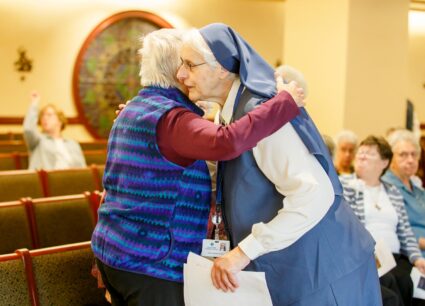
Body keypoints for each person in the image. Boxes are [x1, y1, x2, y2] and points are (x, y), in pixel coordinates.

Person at [91, 28, 304, 306]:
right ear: (176, 70)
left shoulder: (134, 110)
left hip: (115, 253)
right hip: (151, 263)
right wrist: (283, 103)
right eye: (188, 64)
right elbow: (226, 142)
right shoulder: (170, 119)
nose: (187, 74)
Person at [177, 23, 381, 305]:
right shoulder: (228, 114)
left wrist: (242, 253)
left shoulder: (260, 115)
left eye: (190, 64)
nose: (181, 74)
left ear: (222, 67)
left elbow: (313, 195)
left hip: (324, 272)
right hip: (297, 270)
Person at [340, 135, 425, 306]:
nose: (362, 156)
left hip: (394, 257)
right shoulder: (346, 186)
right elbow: (348, 228)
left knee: (413, 282)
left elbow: (405, 231)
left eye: (370, 153)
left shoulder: (392, 191)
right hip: (366, 255)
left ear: (384, 162)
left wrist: (417, 258)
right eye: (361, 152)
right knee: (390, 282)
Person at [382, 129, 425, 257]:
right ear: (390, 158)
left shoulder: (419, 191)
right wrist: (421, 242)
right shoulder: (385, 187)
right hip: (409, 256)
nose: (410, 160)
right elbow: (392, 229)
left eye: (414, 154)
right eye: (403, 155)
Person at [23, 91, 86, 170]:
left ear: (60, 120)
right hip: (46, 180)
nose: (44, 118)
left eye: (49, 115)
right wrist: (34, 104)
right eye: (42, 116)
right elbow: (28, 130)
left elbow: (83, 168)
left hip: (71, 180)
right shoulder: (38, 141)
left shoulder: (73, 144)